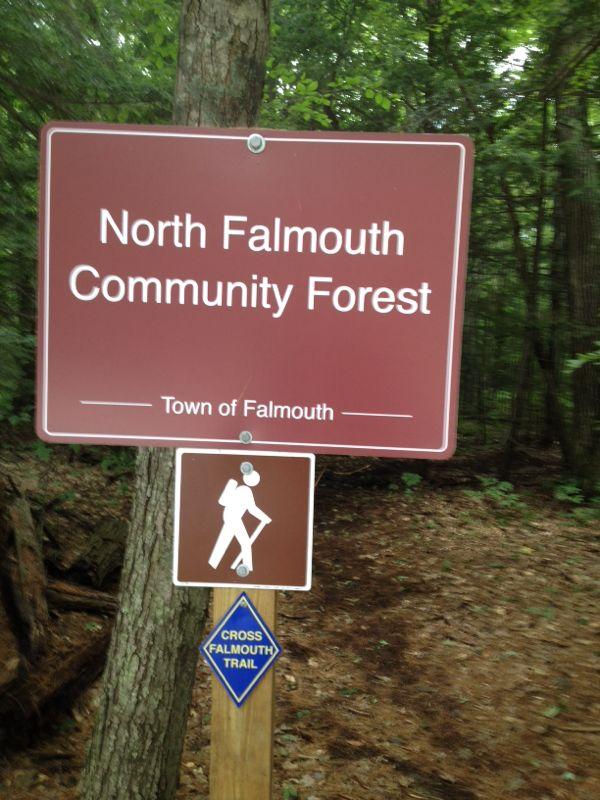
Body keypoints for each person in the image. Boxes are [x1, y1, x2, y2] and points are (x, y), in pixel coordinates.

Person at [208, 470, 271, 573]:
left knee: (224, 541)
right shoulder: (246, 491)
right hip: (233, 518)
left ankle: (212, 564)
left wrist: (264, 518)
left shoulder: (240, 488)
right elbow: (252, 509)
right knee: (245, 543)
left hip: (229, 516)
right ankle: (248, 570)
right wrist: (264, 518)